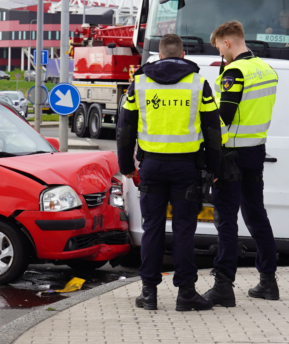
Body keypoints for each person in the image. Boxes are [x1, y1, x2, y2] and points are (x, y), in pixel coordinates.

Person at [117, 34, 223, 312]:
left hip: (151, 167)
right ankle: (186, 293)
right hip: (186, 168)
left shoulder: (139, 83)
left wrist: (126, 166)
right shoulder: (198, 83)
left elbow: (125, 128)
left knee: (152, 229)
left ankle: (148, 294)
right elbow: (213, 130)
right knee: (184, 231)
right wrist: (214, 167)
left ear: (160, 55)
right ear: (184, 54)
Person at [204, 20, 280, 307]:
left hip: (231, 155)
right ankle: (268, 282)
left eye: (220, 51)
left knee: (226, 220)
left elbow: (223, 116)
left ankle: (223, 285)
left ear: (227, 42)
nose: (222, 57)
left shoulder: (235, 72)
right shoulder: (266, 69)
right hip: (255, 152)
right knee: (256, 216)